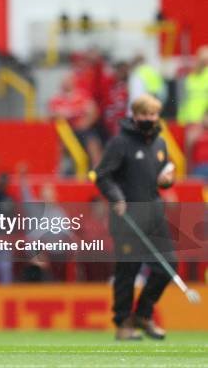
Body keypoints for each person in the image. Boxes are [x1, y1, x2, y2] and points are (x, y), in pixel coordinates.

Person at [94, 94, 176, 341]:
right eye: (144, 114)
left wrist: (168, 179)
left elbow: (165, 174)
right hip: (126, 215)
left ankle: (143, 314)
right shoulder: (120, 143)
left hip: (154, 214)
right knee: (128, 271)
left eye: (153, 115)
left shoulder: (160, 144)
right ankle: (123, 323)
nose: (149, 119)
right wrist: (117, 198)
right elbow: (103, 176)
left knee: (168, 266)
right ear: (134, 115)